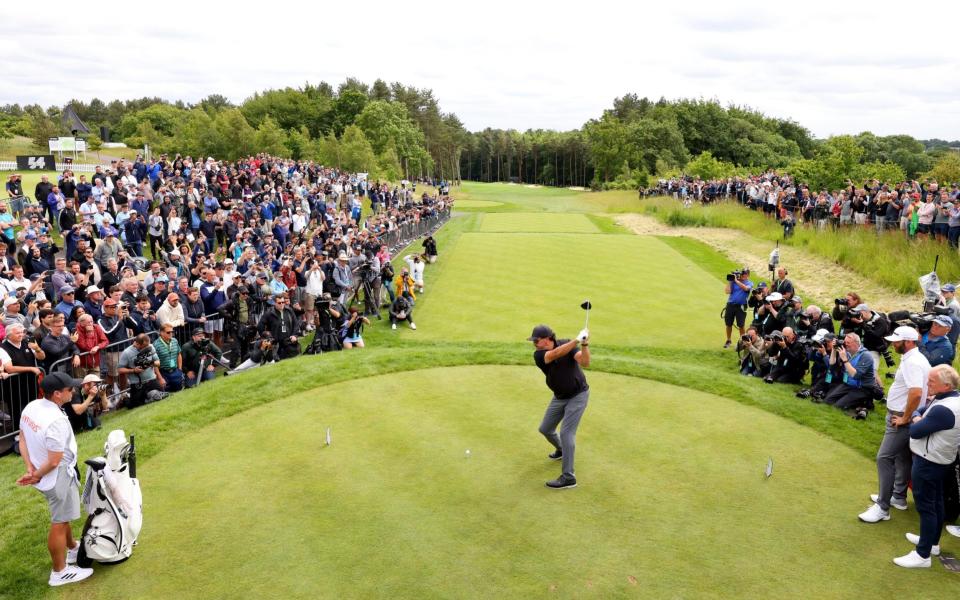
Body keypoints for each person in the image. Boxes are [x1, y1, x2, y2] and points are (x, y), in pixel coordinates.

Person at [15, 371, 95, 587]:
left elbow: (22, 438)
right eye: (71, 389)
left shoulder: (32, 406)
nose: (74, 391)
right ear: (58, 394)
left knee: (62, 516)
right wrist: (35, 475)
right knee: (59, 522)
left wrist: (30, 469)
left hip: (43, 474)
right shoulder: (56, 421)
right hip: (56, 475)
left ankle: (71, 548)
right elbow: (53, 461)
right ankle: (59, 572)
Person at [859, 326, 931, 523]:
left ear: (908, 342)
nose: (892, 344)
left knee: (884, 458)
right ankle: (898, 497)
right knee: (902, 457)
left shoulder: (913, 362)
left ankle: (883, 507)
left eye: (896, 341)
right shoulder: (911, 358)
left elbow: (916, 393)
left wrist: (905, 418)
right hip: (899, 414)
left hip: (900, 417)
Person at [893, 365, 960, 568]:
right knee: (937, 502)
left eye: (931, 381)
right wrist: (920, 415)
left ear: (945, 385)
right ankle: (932, 543)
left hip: (928, 461)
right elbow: (922, 410)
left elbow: (915, 430)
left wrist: (917, 418)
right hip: (940, 460)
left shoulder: (943, 408)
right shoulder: (947, 399)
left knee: (927, 507)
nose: (927, 384)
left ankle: (922, 555)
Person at [529, 323, 590, 490]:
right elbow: (555, 354)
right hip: (559, 397)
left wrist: (584, 344)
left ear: (548, 339)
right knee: (545, 429)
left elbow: (585, 362)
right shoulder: (539, 355)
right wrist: (577, 340)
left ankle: (568, 477)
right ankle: (562, 450)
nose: (534, 343)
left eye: (537, 340)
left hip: (578, 395)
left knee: (566, 432)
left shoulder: (567, 345)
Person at [723, 268, 753, 349]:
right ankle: (728, 340)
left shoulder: (749, 283)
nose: (743, 275)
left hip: (741, 307)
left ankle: (743, 342)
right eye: (742, 274)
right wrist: (730, 281)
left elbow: (746, 288)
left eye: (745, 274)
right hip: (731, 305)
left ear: (748, 275)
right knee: (728, 324)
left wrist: (736, 281)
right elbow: (727, 291)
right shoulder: (733, 282)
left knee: (741, 325)